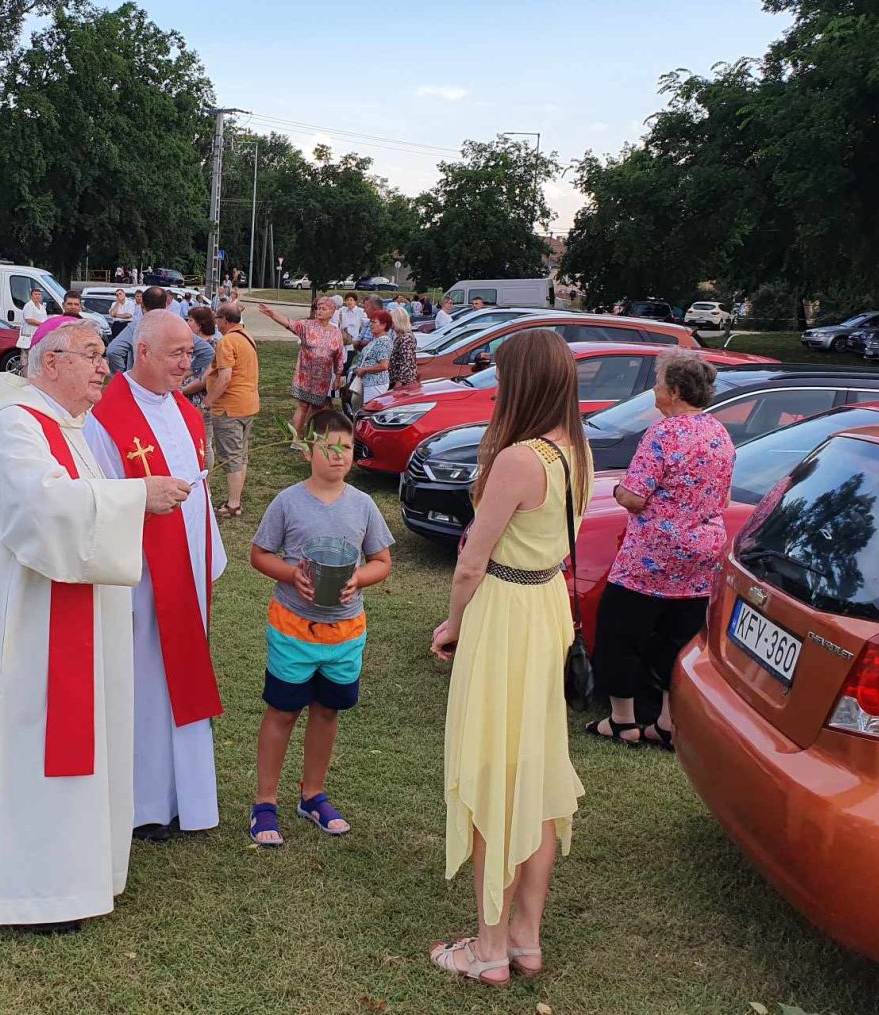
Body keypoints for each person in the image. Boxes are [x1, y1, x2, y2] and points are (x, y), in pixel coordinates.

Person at [0, 316, 192, 933]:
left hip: (72, 618)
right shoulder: (15, 427)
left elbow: (81, 503)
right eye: (91, 355)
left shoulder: (69, 427)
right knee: (30, 747)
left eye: (102, 355)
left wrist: (124, 498)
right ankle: (30, 888)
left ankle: (70, 878)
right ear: (50, 360)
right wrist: (136, 496)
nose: (103, 367)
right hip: (29, 629)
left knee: (73, 747)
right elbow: (42, 509)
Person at [429, 328, 593, 986]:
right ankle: (526, 936)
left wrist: (453, 622)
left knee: (493, 770)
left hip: (505, 614)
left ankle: (489, 946)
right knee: (538, 770)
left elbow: (472, 560)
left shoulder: (518, 458)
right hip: (547, 604)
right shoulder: (576, 450)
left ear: (521, 383)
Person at [86, 310, 226, 842]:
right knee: (144, 681)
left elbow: (199, 489)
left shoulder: (188, 415)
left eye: (190, 353)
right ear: (141, 352)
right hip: (137, 577)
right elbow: (96, 495)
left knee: (182, 679)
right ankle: (144, 803)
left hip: (186, 572)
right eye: (175, 354)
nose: (186, 364)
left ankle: (185, 795)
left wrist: (208, 554)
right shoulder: (106, 415)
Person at [247, 411, 393, 846]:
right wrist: (292, 575)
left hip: (345, 634)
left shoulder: (363, 505)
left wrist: (358, 579)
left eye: (345, 447)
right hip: (293, 630)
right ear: (307, 449)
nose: (337, 456)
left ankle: (313, 794)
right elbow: (259, 554)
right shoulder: (288, 502)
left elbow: (382, 562)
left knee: (327, 711)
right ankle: (265, 801)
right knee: (284, 710)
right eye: (327, 447)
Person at [588, 351, 732, 750]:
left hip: (653, 555)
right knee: (678, 637)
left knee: (620, 631)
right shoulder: (719, 433)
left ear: (673, 390)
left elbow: (634, 497)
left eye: (657, 382)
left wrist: (617, 490)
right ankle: (668, 723)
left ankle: (623, 721)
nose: (653, 389)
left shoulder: (664, 434)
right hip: (701, 555)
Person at [257, 297, 344, 445]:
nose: (319, 311)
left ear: (332, 312)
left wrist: (338, 376)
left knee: (317, 407)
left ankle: (310, 437)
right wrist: (272, 314)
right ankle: (295, 439)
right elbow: (289, 323)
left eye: (324, 309)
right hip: (305, 374)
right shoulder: (307, 326)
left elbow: (339, 356)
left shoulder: (336, 333)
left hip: (322, 377)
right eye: (318, 308)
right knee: (303, 406)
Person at [206, 302, 259, 521]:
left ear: (225, 320)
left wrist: (208, 400)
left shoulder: (227, 341)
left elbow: (225, 377)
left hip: (230, 408)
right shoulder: (247, 336)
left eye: (217, 319)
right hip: (248, 404)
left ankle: (233, 504)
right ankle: (235, 498)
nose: (216, 323)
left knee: (231, 456)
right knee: (240, 454)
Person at [106, 286, 169, 374]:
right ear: (166, 305)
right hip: (166, 378)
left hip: (140, 379)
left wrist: (124, 375)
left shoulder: (136, 327)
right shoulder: (177, 324)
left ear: (142, 304)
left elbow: (112, 351)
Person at [353, 310, 394, 407]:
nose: (371, 325)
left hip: (375, 384)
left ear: (383, 325)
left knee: (370, 410)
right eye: (370, 322)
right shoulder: (375, 340)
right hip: (368, 383)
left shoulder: (384, 342)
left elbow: (384, 365)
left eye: (374, 322)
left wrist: (364, 369)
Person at [183, 306, 216, 411]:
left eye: (190, 320)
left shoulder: (212, 346)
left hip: (199, 402)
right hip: (186, 399)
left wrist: (181, 391)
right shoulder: (191, 343)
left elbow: (204, 379)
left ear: (200, 324)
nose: (187, 323)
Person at [389, 306, 419, 391]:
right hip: (398, 379)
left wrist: (399, 382)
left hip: (403, 382)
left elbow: (405, 361)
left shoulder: (406, 338)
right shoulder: (401, 336)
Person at [18, 288, 48, 353]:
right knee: (27, 356)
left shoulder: (41, 307)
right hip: (29, 335)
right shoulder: (28, 305)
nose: (37, 296)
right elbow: (29, 320)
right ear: (31, 296)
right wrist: (42, 324)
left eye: (39, 294)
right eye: (35, 294)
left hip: (38, 334)